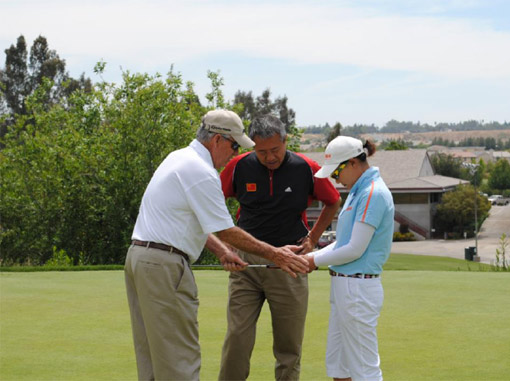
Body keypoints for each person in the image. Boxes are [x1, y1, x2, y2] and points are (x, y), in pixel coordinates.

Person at [124, 109, 309, 381]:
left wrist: (222, 251)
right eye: (234, 146)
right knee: (179, 360)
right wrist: (275, 254)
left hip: (140, 259)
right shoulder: (201, 171)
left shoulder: (177, 158)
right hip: (164, 265)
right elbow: (226, 230)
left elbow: (199, 223)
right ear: (218, 140)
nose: (234, 154)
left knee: (153, 358)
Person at [218, 115, 341, 380]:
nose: (269, 157)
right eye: (261, 152)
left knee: (288, 347)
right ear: (252, 147)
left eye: (275, 149)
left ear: (285, 141)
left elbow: (333, 200)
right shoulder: (239, 166)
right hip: (246, 265)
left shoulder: (306, 167)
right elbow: (212, 200)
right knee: (237, 338)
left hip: (290, 264)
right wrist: (225, 245)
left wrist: (312, 239)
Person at [305, 136, 394, 381]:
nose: (336, 179)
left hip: (358, 288)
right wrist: (309, 256)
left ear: (353, 163)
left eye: (337, 173)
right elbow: (342, 242)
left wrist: (313, 262)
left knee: (365, 370)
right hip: (345, 286)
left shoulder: (372, 193)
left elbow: (355, 249)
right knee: (339, 367)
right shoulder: (358, 192)